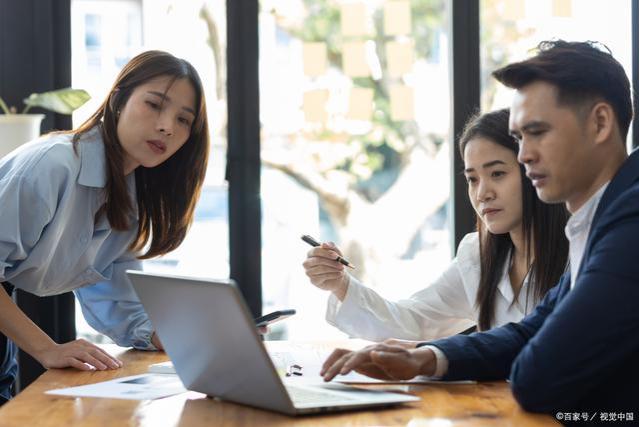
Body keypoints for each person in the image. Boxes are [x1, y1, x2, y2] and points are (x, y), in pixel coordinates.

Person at [321, 40, 638, 414]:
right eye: (520, 138)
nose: (524, 155)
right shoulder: (598, 219)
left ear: (600, 123)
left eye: (537, 132)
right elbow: (528, 332)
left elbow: (538, 377)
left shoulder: (630, 220)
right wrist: (428, 358)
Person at [0, 50, 209, 404]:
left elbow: (115, 296)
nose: (167, 126)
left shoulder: (131, 197)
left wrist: (166, 335)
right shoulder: (54, 164)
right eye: (155, 104)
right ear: (118, 100)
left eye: (184, 120)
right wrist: (48, 349)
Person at [303, 108, 569, 342]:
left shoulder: (581, 256)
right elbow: (414, 321)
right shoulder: (478, 256)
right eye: (472, 179)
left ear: (535, 171)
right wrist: (340, 284)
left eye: (497, 174)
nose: (482, 193)